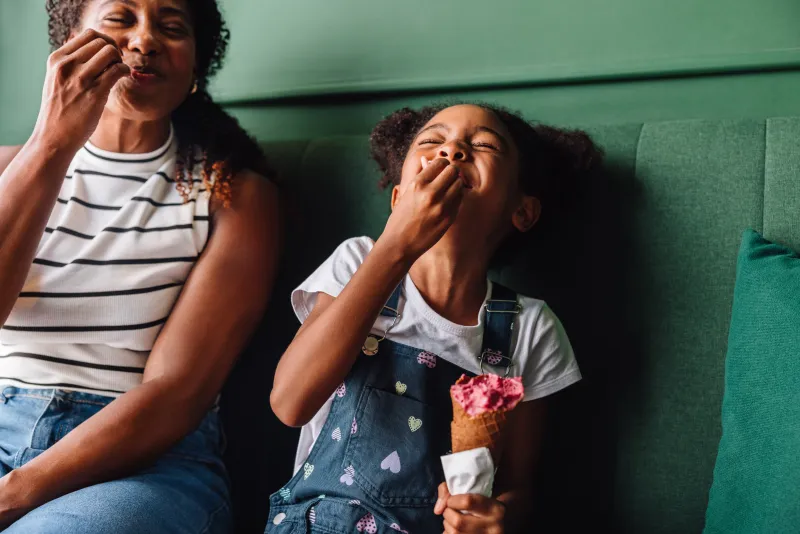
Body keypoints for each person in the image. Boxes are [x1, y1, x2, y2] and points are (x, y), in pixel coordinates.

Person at [0, 1, 279, 532]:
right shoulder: (10, 167)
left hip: (143, 463)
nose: (145, 39)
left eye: (172, 28)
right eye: (120, 19)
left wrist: (11, 496)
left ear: (196, 66)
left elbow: (175, 395)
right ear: (70, 46)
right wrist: (52, 144)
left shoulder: (232, 195)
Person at [269, 103, 602, 533]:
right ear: (398, 197)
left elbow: (518, 488)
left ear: (523, 211)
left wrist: (500, 517)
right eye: (432, 141)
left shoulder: (529, 328)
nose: (454, 150)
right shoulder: (357, 262)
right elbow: (289, 403)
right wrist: (395, 245)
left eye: (483, 145)